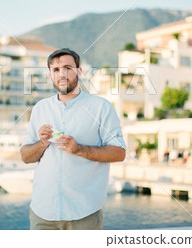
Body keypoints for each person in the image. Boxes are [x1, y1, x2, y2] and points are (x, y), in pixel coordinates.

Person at [20, 48, 127, 230]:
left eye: (68, 68)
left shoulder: (101, 107)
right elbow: (25, 156)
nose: (62, 74)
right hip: (43, 213)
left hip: (84, 213)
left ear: (79, 71)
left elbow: (119, 152)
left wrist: (80, 149)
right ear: (50, 75)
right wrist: (42, 143)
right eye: (56, 70)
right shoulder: (40, 108)